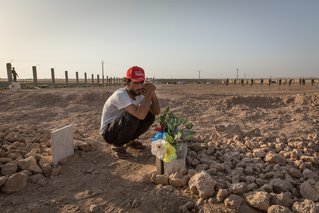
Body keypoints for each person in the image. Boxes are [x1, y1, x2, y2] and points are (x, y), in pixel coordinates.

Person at [100, 66, 160, 159]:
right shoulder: (120, 95)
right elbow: (140, 115)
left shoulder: (139, 94)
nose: (140, 86)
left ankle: (129, 141)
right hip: (109, 132)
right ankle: (117, 145)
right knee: (133, 116)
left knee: (149, 116)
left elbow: (156, 111)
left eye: (141, 82)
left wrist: (152, 94)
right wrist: (148, 94)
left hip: (120, 126)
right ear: (127, 82)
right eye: (136, 82)